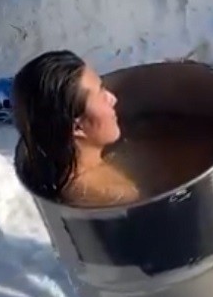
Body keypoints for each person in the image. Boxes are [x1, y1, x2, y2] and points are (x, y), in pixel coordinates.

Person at [11, 50, 140, 207]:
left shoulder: (57, 168)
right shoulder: (111, 194)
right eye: (100, 95)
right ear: (77, 127)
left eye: (103, 88)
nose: (113, 99)